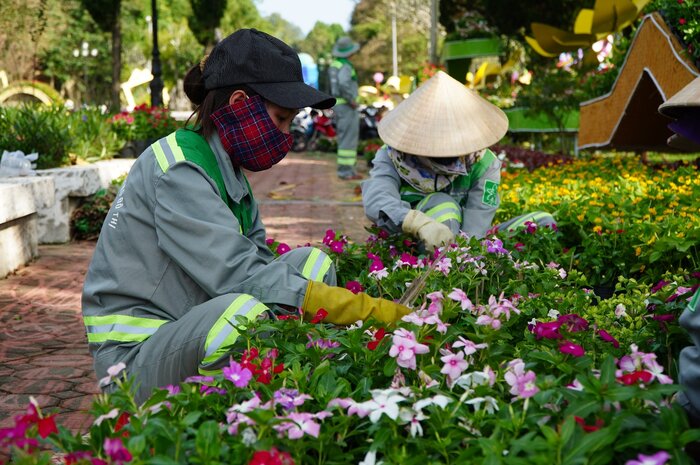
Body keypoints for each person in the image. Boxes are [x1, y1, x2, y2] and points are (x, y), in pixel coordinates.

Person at [81, 29, 410, 402]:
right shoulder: (178, 169)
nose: (286, 135)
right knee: (243, 315)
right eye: (281, 118)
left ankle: (303, 385)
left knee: (311, 263)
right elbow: (242, 276)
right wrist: (364, 310)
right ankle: (229, 417)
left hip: (188, 324)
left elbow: (259, 261)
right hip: (135, 360)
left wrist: (329, 306)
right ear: (240, 103)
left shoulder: (226, 169)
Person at [362, 71, 556, 250]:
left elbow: (477, 224)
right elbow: (378, 198)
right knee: (444, 205)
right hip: (411, 244)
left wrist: (467, 253)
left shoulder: (484, 163)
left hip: (462, 243)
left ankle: (460, 266)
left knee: (543, 222)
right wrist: (416, 222)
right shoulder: (393, 156)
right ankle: (438, 270)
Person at [329, 36, 361, 180]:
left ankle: (347, 170)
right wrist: (351, 100)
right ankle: (346, 172)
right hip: (347, 106)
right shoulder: (346, 66)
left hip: (338, 105)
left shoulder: (335, 64)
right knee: (349, 139)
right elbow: (343, 84)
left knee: (344, 138)